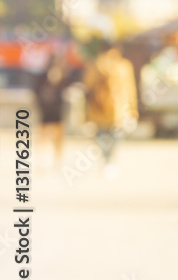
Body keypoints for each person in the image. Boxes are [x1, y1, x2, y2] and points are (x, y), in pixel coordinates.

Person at [84, 41, 137, 179]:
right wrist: (132, 107)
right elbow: (130, 88)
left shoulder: (97, 64)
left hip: (108, 107)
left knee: (106, 134)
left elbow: (88, 85)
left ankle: (107, 159)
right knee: (112, 134)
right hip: (111, 106)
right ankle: (109, 160)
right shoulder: (121, 66)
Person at [32, 50, 71, 166]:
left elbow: (66, 90)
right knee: (43, 134)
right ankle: (42, 158)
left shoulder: (64, 75)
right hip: (46, 109)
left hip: (57, 109)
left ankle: (57, 158)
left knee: (58, 135)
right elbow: (36, 91)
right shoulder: (43, 76)